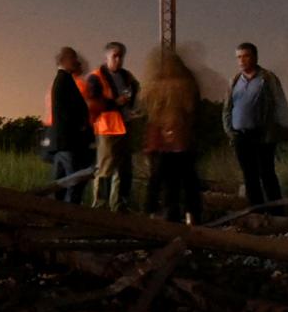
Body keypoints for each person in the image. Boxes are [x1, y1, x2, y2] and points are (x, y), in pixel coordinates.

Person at [142, 45, 204, 223]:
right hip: (181, 139)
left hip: (163, 141)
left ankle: (162, 213)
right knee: (186, 179)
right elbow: (193, 110)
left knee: (164, 180)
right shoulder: (187, 84)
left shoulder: (155, 85)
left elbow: (150, 111)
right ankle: (190, 214)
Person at [225, 41, 287, 207]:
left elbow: (281, 105)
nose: (242, 61)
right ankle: (256, 210)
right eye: (239, 57)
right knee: (249, 175)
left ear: (255, 57)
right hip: (241, 135)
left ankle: (276, 210)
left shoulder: (267, 79)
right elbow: (228, 108)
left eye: (246, 56)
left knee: (266, 173)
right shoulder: (235, 80)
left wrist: (274, 132)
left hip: (262, 134)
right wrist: (230, 131)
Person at [84, 41, 140, 210]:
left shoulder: (126, 76)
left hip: (124, 126)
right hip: (107, 129)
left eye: (121, 56)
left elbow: (136, 89)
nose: (119, 60)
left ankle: (118, 205)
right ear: (107, 56)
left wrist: (132, 107)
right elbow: (94, 102)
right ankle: (100, 205)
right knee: (105, 169)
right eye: (115, 56)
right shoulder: (96, 77)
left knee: (123, 170)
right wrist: (116, 103)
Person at [46, 47, 94, 204]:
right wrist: (81, 126)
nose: (76, 62)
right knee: (73, 180)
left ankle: (55, 214)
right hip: (69, 141)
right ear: (65, 60)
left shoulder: (62, 80)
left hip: (62, 141)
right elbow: (67, 111)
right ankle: (69, 215)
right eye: (73, 58)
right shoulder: (64, 80)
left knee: (60, 181)